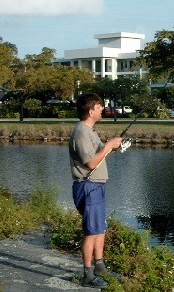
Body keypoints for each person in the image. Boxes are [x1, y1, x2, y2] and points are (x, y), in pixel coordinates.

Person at [69, 93, 123, 289]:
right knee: (91, 231)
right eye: (100, 107)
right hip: (88, 187)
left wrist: (113, 147)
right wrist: (108, 145)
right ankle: (88, 275)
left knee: (100, 228)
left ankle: (100, 266)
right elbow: (91, 162)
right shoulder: (81, 132)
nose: (103, 109)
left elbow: (99, 153)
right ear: (91, 111)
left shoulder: (90, 131)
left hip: (97, 186)